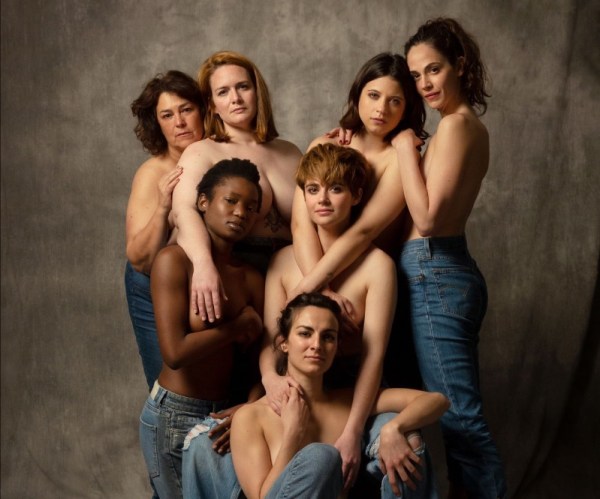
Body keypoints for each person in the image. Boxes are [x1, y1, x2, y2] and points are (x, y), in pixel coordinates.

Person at [390, 18, 506, 499]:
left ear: (459, 64)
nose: (424, 84)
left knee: (460, 418)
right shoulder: (457, 128)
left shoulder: (457, 126)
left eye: (433, 69)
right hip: (442, 269)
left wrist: (403, 148)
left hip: (436, 268)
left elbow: (428, 218)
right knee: (456, 417)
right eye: (416, 75)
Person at [261, 143, 400, 492]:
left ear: (356, 196)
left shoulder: (378, 266)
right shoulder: (283, 262)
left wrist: (353, 431)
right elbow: (270, 342)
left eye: (335, 189)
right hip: (295, 390)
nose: (322, 199)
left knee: (409, 449)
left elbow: (373, 357)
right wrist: (269, 379)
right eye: (312, 189)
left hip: (352, 393)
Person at [232, 293, 450, 499]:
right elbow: (261, 496)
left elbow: (437, 401)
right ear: (284, 343)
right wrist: (292, 434)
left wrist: (394, 428)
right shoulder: (251, 417)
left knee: (408, 437)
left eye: (328, 337)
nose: (316, 345)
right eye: (305, 333)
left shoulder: (348, 403)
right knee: (321, 456)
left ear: (336, 346)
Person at [139, 159, 265, 499]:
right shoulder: (173, 261)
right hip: (174, 415)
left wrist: (249, 408)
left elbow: (259, 362)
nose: (240, 212)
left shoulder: (251, 278)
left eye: (251, 207)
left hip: (226, 415)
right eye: (231, 201)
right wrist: (237, 326)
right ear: (203, 202)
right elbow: (175, 353)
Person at [172, 51, 302, 323]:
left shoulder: (290, 152)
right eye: (223, 92)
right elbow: (183, 212)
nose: (236, 98)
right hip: (238, 266)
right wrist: (203, 264)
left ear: (257, 91)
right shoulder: (202, 151)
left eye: (243, 87)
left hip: (291, 265)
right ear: (212, 104)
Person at [125, 70, 204, 389]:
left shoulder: (219, 156)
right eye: (167, 115)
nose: (179, 122)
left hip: (204, 279)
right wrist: (162, 208)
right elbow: (140, 259)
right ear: (156, 123)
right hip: (152, 282)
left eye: (186, 110)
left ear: (204, 110)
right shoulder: (153, 172)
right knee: (171, 386)